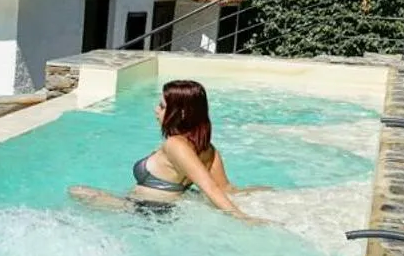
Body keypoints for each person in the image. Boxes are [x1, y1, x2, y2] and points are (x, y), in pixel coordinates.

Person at [70, 78, 264, 218]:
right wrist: (268, 191)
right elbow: (227, 188)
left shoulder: (175, 145)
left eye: (162, 107)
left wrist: (241, 217)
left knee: (77, 192)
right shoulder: (207, 149)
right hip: (158, 210)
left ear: (180, 113)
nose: (156, 110)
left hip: (145, 211)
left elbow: (211, 189)